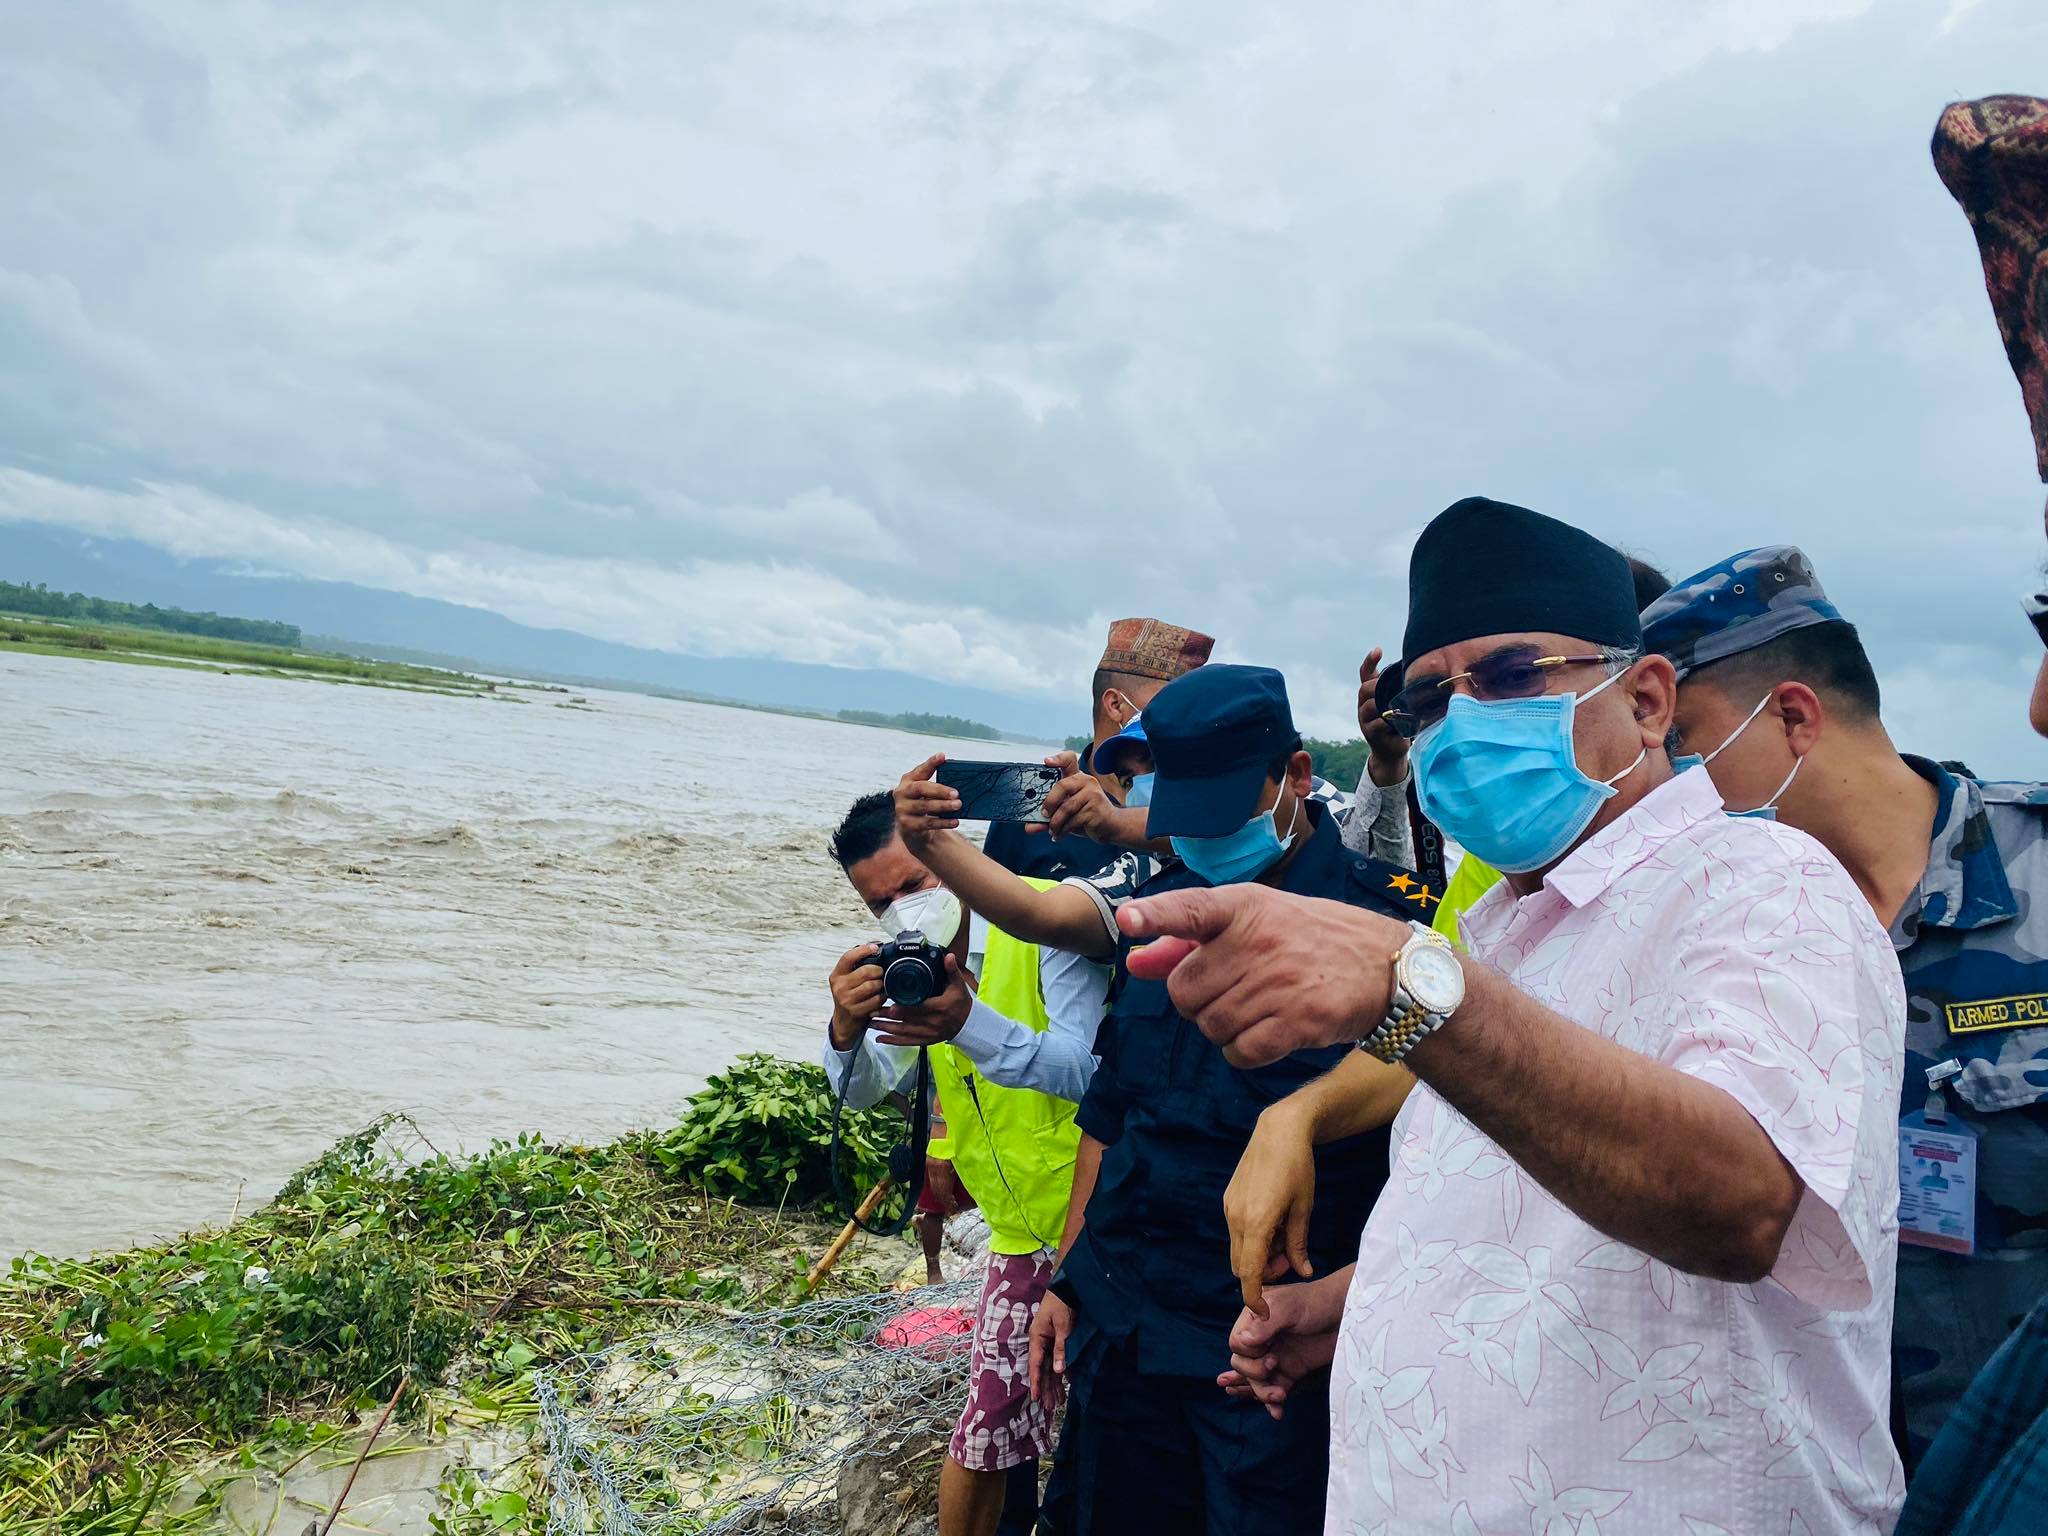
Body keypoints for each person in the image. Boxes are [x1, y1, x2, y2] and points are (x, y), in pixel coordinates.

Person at [1124, 497, 1906, 1535]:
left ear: (1644, 699)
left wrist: (1400, 979)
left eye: (1505, 676)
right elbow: (1513, 1202)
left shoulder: (1764, 882)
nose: (1461, 726)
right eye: (1425, 704)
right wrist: (1359, 1293)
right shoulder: (1497, 924)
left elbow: (1744, 1205)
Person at [1643, 545, 2048, 1464]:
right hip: (1824, 1472)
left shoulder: (2040, 872)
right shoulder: (1713, 932)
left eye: (1683, 743)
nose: (1666, 785)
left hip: (2015, 1464)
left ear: (1792, 717)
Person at [1023, 663, 1426, 1536]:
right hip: (1123, 1317)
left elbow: (1437, 1043)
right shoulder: (1160, 913)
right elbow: (1111, 1114)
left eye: (1226, 810)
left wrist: (1304, 1111)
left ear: (1295, 777)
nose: (1203, 838)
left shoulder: (1380, 923)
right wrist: (1069, 1278)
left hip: (1266, 1352)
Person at [822, 792, 1109, 1536]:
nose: (902, 913)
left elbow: (1092, 1073)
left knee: (1096, 1427)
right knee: (993, 1427)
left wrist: (968, 1023)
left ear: (950, 854)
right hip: (1016, 1233)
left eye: (914, 885)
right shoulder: (909, 965)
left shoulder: (1050, 920)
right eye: (880, 903)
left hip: (1103, 1221)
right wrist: (845, 1028)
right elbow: (863, 1090)